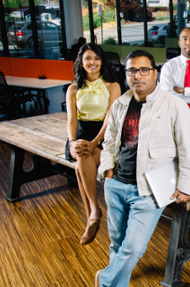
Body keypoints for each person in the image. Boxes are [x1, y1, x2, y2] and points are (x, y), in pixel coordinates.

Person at [89, 50, 190, 287]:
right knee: (117, 244)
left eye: (143, 70)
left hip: (149, 189)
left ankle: (105, 280)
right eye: (131, 71)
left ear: (155, 72)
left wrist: (186, 186)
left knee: (134, 247)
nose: (137, 76)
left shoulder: (173, 105)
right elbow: (110, 141)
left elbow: (188, 148)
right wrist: (107, 171)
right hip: (116, 185)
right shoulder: (120, 104)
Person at [66, 43, 121, 245]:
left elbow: (110, 119)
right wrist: (72, 142)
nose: (92, 62)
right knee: (80, 151)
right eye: (88, 58)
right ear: (81, 62)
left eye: (96, 58)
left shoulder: (112, 86)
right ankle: (95, 210)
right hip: (81, 133)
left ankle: (92, 215)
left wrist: (95, 141)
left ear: (102, 61)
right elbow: (71, 121)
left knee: (80, 167)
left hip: (104, 135)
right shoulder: (73, 88)